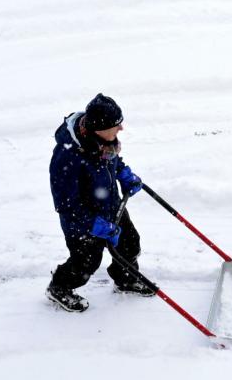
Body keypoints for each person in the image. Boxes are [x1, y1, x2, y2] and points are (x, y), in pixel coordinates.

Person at [46, 93, 156, 312]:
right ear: (99, 127)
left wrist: (124, 173)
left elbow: (113, 161)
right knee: (86, 263)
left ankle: (125, 279)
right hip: (82, 222)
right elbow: (65, 204)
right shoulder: (67, 156)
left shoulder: (104, 142)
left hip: (111, 207)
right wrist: (93, 224)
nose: (121, 128)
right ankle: (59, 287)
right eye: (116, 125)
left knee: (130, 243)